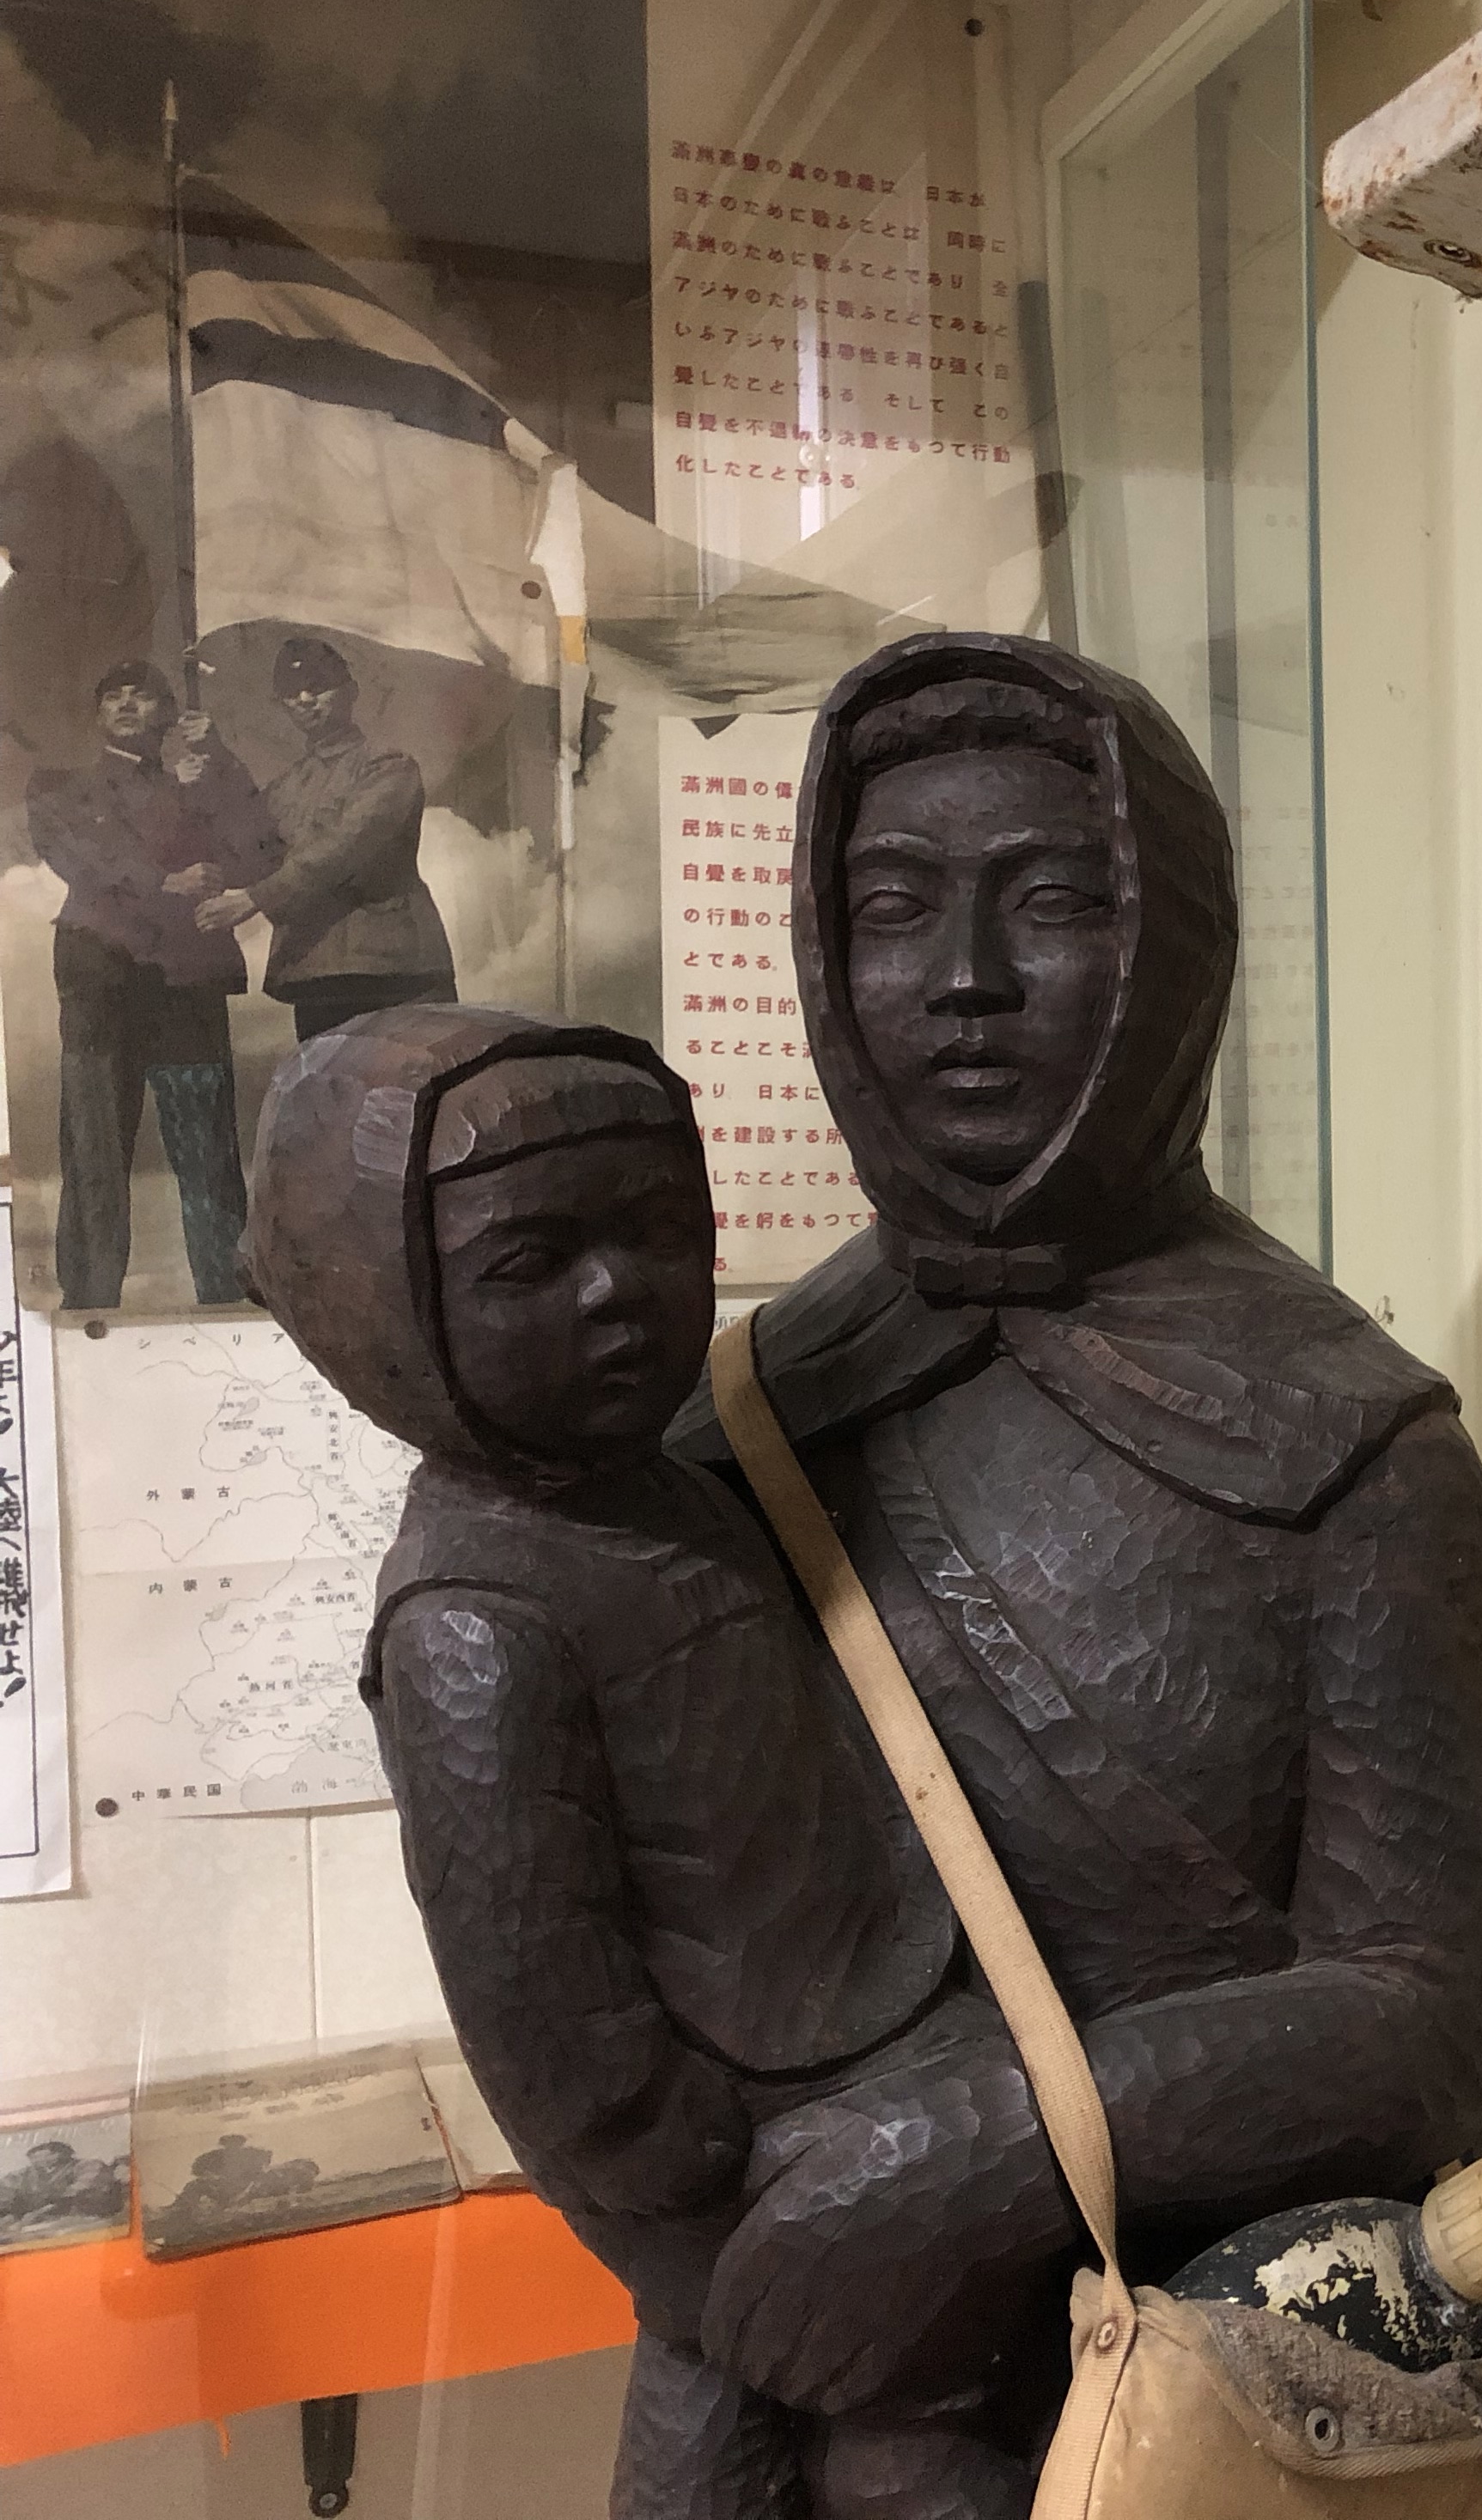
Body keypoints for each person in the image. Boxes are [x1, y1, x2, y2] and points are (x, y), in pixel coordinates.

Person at [656, 640, 1482, 2492]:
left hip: (1210, 2375)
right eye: (894, 909)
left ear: (1176, 946)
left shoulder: (1354, 1444)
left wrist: (980, 2153)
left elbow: (1420, 2022)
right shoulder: (741, 1424)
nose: (963, 979)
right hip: (802, 2370)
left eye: (1052, 903)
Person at [249, 1012, 979, 2502]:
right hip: (757, 2155)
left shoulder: (680, 1487)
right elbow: (541, 1995)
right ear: (378, 1304)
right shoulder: (474, 1623)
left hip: (861, 2050)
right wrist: (686, 2186)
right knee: (817, 2435)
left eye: (654, 1231)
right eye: (529, 1261)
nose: (617, 1291)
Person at [29, 659, 275, 1309]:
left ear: (169, 714)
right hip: (102, 980)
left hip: (186, 983)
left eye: (142, 696)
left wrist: (220, 763)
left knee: (207, 1147)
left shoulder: (200, 779)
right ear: (97, 715)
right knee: (95, 1148)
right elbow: (75, 852)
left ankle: (228, 1301)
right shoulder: (63, 787)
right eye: (114, 696)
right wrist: (164, 880)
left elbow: (260, 846)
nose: (127, 704)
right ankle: (89, 1307)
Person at [191, 635, 457, 1040]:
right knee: (327, 1081)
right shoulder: (287, 787)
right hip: (317, 974)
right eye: (291, 692)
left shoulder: (389, 765)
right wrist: (217, 761)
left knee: (414, 1079)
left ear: (350, 691)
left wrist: (254, 899)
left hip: (396, 972)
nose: (305, 699)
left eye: (318, 686)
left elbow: (346, 846)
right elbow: (249, 842)